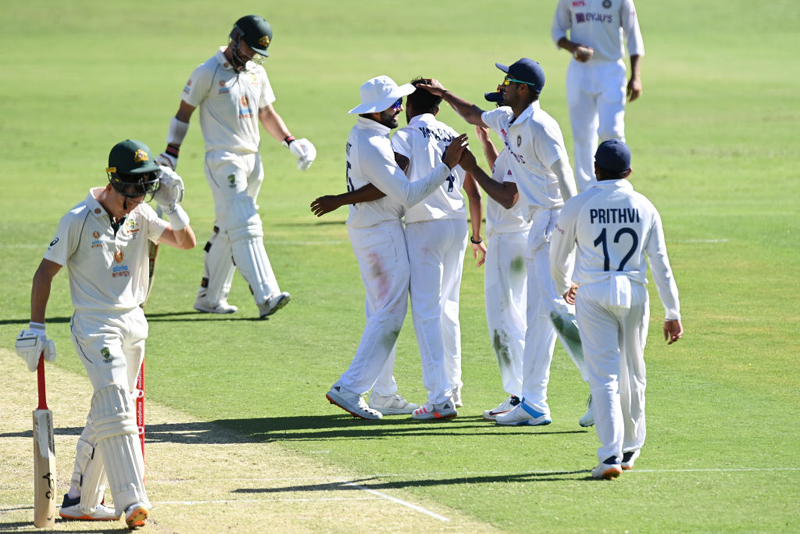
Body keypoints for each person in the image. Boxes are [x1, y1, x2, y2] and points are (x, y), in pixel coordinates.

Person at [14, 140, 197, 528]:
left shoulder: (142, 212)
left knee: (109, 412)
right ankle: (132, 501)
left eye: (141, 194)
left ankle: (80, 500)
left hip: (134, 324)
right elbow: (45, 273)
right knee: (116, 405)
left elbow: (185, 241)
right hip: (95, 325)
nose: (133, 203)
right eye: (129, 195)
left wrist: (172, 207)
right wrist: (36, 327)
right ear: (113, 183)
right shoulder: (78, 218)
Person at [418, 58, 593, 427]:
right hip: (538, 225)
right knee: (540, 319)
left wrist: (576, 241)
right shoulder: (508, 119)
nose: (502, 86)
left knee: (557, 313)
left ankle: (603, 385)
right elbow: (474, 114)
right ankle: (534, 401)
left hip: (555, 223)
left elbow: (566, 180)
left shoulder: (542, 127)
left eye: (508, 81)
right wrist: (444, 92)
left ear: (524, 89)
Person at [313, 78, 485, 419]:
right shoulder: (389, 140)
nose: (397, 109)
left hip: (405, 229)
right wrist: (447, 167)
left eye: (400, 103)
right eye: (392, 104)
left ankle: (389, 393)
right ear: (376, 110)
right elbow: (403, 190)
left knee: (392, 310)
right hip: (407, 229)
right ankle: (423, 391)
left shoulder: (382, 136)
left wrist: (341, 199)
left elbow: (391, 189)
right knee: (410, 310)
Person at [156, 14, 316, 318]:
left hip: (253, 161)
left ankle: (210, 298)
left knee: (229, 229)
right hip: (222, 160)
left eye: (257, 52)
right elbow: (183, 113)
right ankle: (266, 295)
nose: (251, 56)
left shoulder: (256, 72)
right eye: (248, 48)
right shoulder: (208, 71)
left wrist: (291, 142)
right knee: (245, 224)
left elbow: (267, 114)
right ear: (235, 37)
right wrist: (170, 153)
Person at [550, 139, 682, 479]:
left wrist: (565, 285)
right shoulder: (644, 205)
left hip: (593, 293)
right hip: (635, 292)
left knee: (604, 377)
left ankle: (609, 456)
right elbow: (661, 264)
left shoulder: (579, 203)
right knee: (634, 372)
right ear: (629, 171)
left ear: (595, 169)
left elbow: (558, 254)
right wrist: (672, 312)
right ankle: (630, 449)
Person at [473, 102, 532, 420]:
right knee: (510, 316)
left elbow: (508, 197)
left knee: (506, 319)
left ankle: (521, 395)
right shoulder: (515, 148)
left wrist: (472, 167)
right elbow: (505, 178)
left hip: (509, 241)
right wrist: (487, 147)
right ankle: (522, 393)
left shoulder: (520, 148)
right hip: (513, 239)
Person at [551, 0, 645, 192]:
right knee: (582, 134)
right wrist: (573, 48)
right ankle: (588, 191)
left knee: (612, 131)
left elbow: (633, 36)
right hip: (580, 71)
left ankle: (617, 187)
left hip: (611, 69)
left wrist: (636, 76)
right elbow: (557, 32)